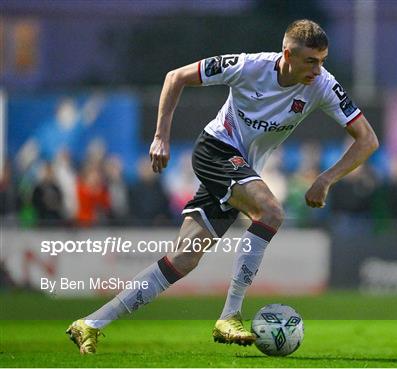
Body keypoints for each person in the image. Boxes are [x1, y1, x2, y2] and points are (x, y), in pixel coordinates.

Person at [66, 19, 378, 354]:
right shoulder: (248, 66)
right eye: (311, 61)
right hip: (216, 150)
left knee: (182, 259)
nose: (318, 70)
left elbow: (367, 140)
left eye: (323, 60)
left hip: (242, 170)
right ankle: (229, 315)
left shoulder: (322, 85)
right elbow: (176, 77)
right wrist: (161, 136)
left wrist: (325, 178)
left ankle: (90, 323)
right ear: (287, 53)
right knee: (271, 211)